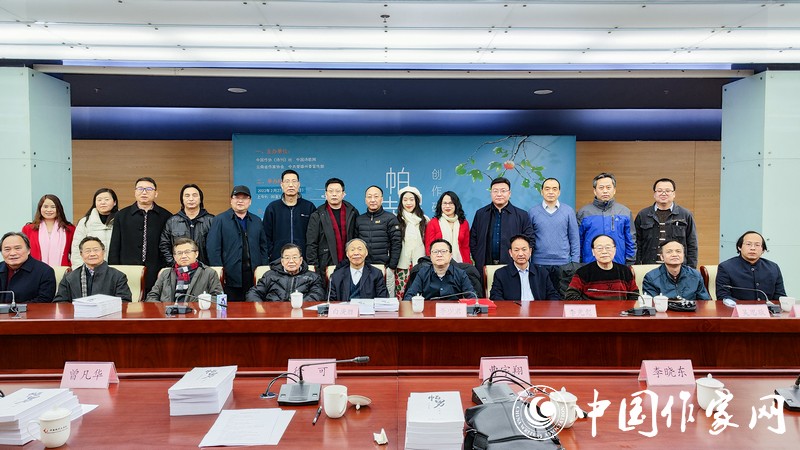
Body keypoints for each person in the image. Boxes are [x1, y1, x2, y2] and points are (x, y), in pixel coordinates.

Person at [207, 185, 269, 302]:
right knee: (230, 309)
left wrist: (263, 271)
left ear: (250, 201)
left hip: (252, 276)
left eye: (244, 198)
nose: (240, 201)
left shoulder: (256, 221)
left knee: (253, 308)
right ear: (231, 200)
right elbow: (213, 248)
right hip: (230, 276)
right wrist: (220, 273)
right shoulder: (220, 220)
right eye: (237, 197)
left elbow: (263, 248)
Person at [108, 177, 171, 294]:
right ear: (135, 192)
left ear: (156, 193)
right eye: (140, 189)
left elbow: (168, 246)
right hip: (127, 271)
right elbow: (115, 246)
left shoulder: (166, 216)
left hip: (156, 271)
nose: (144, 192)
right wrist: (113, 269)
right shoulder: (121, 215)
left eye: (149, 189)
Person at [470, 177, 534, 275]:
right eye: (495, 191)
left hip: (513, 266)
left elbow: (530, 240)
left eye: (503, 191)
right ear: (491, 193)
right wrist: (478, 257)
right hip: (485, 266)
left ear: (509, 193)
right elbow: (473, 239)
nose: (499, 194)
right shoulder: (481, 214)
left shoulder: (522, 215)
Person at [528, 177, 580, 290]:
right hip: (539, 263)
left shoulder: (568, 211)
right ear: (542, 191)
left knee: (562, 297)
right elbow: (529, 239)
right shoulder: (533, 212)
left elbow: (574, 238)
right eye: (547, 189)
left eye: (554, 189)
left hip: (564, 264)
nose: (551, 192)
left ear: (559, 192)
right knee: (540, 297)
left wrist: (575, 263)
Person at [635, 178, 699, 267]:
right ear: (654, 194)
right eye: (659, 191)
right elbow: (637, 243)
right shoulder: (643, 215)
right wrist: (637, 266)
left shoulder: (685, 215)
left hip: (677, 267)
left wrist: (691, 268)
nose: (663, 193)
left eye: (668, 191)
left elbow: (692, 244)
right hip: (649, 266)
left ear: (674, 194)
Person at [577, 172, 636, 265]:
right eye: (601, 188)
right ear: (595, 191)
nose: (605, 191)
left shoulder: (625, 212)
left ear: (614, 190)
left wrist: (630, 262)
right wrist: (578, 263)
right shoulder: (584, 212)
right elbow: (578, 241)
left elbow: (631, 240)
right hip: (590, 264)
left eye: (608, 187)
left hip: (618, 263)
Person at [55, 236, 132, 302]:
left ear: (103, 252)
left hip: (108, 314)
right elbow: (60, 302)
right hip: (78, 314)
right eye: (87, 251)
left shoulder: (118, 276)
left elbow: (124, 302)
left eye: (96, 250)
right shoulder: (69, 277)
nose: (92, 254)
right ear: (81, 254)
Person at [305, 178, 359, 271]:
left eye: (337, 191)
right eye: (331, 191)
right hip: (325, 265)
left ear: (343, 194)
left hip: (350, 264)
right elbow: (311, 244)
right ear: (326, 194)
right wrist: (314, 268)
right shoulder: (317, 215)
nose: (334, 194)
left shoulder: (352, 212)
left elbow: (357, 238)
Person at [147, 237, 223, 302]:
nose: (183, 256)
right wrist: (162, 309)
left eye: (187, 252)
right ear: (174, 256)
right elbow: (151, 296)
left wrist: (199, 304)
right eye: (179, 253)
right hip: (169, 312)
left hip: (196, 312)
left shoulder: (209, 273)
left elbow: (218, 298)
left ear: (196, 254)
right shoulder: (165, 273)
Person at [716, 231, 786, 301]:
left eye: (757, 245)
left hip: (768, 308)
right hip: (737, 307)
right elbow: (723, 297)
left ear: (763, 250)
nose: (753, 248)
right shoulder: (726, 267)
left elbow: (780, 296)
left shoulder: (773, 268)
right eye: (748, 244)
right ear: (739, 247)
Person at [263, 169, 316, 262]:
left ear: (298, 184)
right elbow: (265, 236)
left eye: (294, 181)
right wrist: (272, 254)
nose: (291, 185)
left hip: (303, 260)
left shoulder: (309, 207)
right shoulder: (273, 208)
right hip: (279, 260)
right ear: (282, 185)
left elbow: (314, 236)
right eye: (287, 181)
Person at [564, 234, 639, 300]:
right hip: (593, 311)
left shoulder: (625, 271)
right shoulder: (583, 272)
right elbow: (571, 295)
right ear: (593, 251)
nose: (604, 252)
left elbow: (634, 294)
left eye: (608, 247)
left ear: (615, 250)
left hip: (621, 311)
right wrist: (589, 308)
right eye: (599, 248)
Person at [490, 235, 560, 301]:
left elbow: (553, 295)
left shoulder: (542, 272)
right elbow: (495, 296)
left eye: (524, 249)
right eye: (516, 250)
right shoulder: (501, 274)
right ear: (510, 253)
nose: (520, 254)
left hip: (537, 309)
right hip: (512, 309)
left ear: (530, 251)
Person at [246, 243, 324, 302]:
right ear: (282, 261)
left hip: (301, 313)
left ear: (301, 260)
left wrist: (298, 304)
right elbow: (253, 293)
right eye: (287, 258)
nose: (291, 261)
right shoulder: (270, 275)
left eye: (294, 257)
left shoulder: (313, 277)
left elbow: (318, 294)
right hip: (274, 314)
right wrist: (261, 308)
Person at [356, 186, 401, 287]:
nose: (372, 200)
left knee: (386, 296)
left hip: (384, 267)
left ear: (382, 199)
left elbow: (396, 244)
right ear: (365, 200)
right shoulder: (359, 219)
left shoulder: (390, 218)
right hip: (363, 267)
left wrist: (392, 267)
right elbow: (354, 243)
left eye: (376, 196)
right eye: (369, 197)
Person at [159, 184, 215, 266]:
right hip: (179, 269)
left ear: (200, 199)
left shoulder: (212, 220)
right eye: (187, 196)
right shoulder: (172, 221)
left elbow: (218, 247)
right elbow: (164, 246)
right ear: (182, 199)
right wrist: (174, 264)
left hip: (205, 269)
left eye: (194, 195)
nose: (191, 199)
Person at [403, 239, 475, 300]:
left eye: (443, 251)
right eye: (435, 252)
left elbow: (472, 297)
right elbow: (409, 296)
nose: (439, 255)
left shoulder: (460, 274)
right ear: (430, 256)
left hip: (453, 311)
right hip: (429, 311)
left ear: (450, 256)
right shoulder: (423, 273)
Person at [642, 240, 710, 300]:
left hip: (691, 310)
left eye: (678, 251)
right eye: (669, 252)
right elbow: (651, 304)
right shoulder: (651, 278)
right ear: (662, 257)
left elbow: (704, 302)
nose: (674, 254)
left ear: (683, 255)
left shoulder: (695, 276)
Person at [0, 232, 56, 303]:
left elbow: (44, 300)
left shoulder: (45, 272)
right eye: (7, 249)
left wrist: (16, 308)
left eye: (17, 248)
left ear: (28, 250)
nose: (12, 253)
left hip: (30, 310)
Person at [21, 194, 75, 268]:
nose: (49, 210)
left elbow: (75, 253)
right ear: (40, 208)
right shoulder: (28, 229)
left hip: (63, 271)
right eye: (45, 206)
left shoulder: (69, 229)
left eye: (53, 207)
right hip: (35, 270)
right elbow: (23, 252)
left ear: (59, 209)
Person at [71, 188, 118, 269]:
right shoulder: (85, 222)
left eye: (106, 199)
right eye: (99, 200)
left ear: (114, 202)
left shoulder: (122, 220)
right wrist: (78, 269)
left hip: (116, 269)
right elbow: (76, 248)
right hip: (91, 268)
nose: (102, 202)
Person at [395, 186, 428, 298]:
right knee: (401, 295)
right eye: (405, 200)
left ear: (417, 201)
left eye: (411, 199)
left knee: (419, 295)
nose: (408, 203)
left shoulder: (424, 220)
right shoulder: (396, 219)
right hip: (402, 264)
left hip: (420, 264)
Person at [425, 191, 470, 264]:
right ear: (440, 205)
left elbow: (466, 247)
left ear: (456, 205)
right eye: (445, 203)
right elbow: (429, 248)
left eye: (451, 203)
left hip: (460, 263)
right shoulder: (433, 223)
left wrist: (467, 264)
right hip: (439, 264)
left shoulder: (464, 223)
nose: (447, 206)